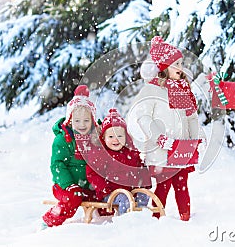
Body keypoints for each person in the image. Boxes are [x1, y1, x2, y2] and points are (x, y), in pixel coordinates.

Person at [127, 36, 205, 221]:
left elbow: (191, 117)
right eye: (175, 64)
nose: (180, 67)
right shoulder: (152, 90)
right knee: (163, 185)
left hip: (181, 148)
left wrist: (195, 138)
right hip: (162, 151)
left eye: (181, 63)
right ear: (162, 68)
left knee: (182, 184)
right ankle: (156, 219)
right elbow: (143, 117)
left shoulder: (182, 90)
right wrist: (159, 138)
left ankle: (186, 218)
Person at [42, 85, 98, 228]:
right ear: (70, 120)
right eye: (77, 121)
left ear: (92, 120)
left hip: (87, 187)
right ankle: (50, 220)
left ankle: (102, 225)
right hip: (65, 186)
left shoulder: (95, 139)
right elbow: (57, 165)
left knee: (103, 199)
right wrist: (68, 184)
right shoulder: (63, 140)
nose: (82, 125)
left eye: (86, 121)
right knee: (74, 198)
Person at [86, 108, 152, 214]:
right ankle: (125, 221)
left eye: (120, 136)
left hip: (131, 192)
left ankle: (140, 217)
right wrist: (104, 189)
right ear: (104, 137)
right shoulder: (101, 154)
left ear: (126, 137)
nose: (116, 140)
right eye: (111, 136)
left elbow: (140, 169)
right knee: (124, 199)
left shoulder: (131, 152)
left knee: (144, 194)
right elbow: (93, 173)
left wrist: (144, 182)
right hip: (110, 193)